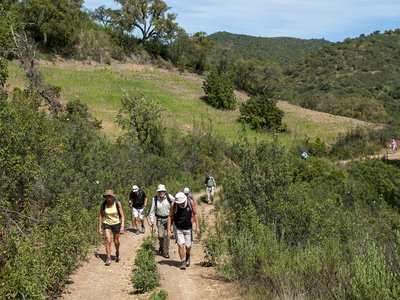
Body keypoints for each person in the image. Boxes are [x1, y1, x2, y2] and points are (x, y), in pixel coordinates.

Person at [167, 192, 199, 270]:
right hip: (178, 228)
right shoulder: (174, 204)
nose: (180, 204)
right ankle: (183, 261)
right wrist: (168, 229)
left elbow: (195, 214)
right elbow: (170, 216)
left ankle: (188, 254)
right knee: (181, 245)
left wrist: (197, 226)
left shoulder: (190, 202)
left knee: (188, 246)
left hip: (188, 228)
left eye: (182, 202)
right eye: (179, 203)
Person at [98, 189, 125, 266]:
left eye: (110, 196)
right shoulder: (103, 205)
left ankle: (117, 252)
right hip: (107, 223)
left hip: (116, 223)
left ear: (113, 197)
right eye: (107, 197)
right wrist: (99, 227)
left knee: (116, 241)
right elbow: (100, 216)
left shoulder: (117, 203)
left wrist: (122, 226)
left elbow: (122, 215)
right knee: (108, 240)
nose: (108, 198)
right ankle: (108, 258)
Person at [149, 184, 175, 258]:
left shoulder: (169, 197)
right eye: (160, 191)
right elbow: (152, 211)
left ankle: (165, 252)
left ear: (165, 191)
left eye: (162, 191)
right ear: (158, 192)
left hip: (168, 219)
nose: (161, 193)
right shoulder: (155, 199)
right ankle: (161, 246)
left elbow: (176, 203)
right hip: (159, 219)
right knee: (161, 236)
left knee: (167, 235)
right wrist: (152, 220)